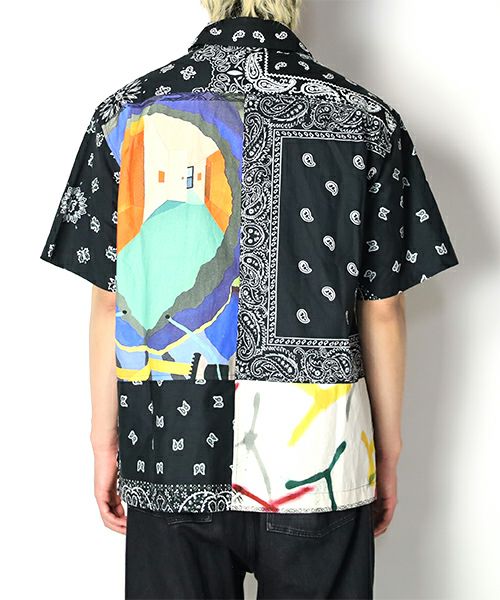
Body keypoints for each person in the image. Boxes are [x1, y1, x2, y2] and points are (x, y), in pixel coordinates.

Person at [39, 0, 460, 598]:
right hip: (319, 456)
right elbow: (383, 308)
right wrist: (385, 451)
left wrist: (103, 440)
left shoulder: (128, 114)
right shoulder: (368, 121)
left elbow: (110, 302)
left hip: (169, 450)